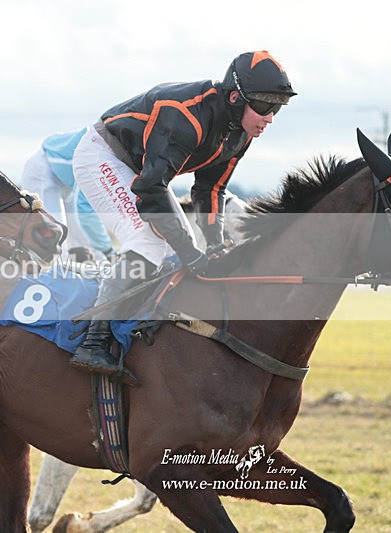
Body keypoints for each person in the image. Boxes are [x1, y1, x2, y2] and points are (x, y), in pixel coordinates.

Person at [70, 50, 296, 382]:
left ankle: (140, 327)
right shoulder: (184, 115)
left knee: (181, 246)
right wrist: (190, 252)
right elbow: (150, 190)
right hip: (103, 155)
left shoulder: (241, 133)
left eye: (278, 108)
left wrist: (214, 244)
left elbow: (211, 189)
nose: (270, 118)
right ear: (235, 98)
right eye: (264, 106)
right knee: (148, 241)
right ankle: (94, 340)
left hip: (143, 170)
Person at [20, 129, 115, 262]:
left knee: (85, 241)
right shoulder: (96, 156)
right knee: (56, 234)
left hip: (66, 180)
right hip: (43, 170)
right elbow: (85, 210)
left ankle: (101, 268)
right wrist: (109, 251)